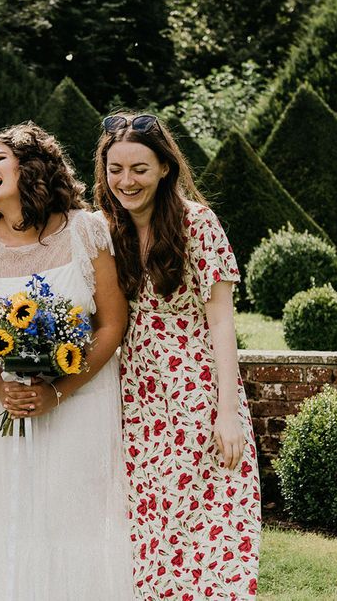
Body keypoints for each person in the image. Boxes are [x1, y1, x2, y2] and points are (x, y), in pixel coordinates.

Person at [0, 122, 134, 600]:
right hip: (3, 407)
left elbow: (112, 324)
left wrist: (58, 391)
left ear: (31, 166)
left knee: (74, 523)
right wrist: (2, 389)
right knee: (9, 520)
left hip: (81, 402)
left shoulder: (86, 230)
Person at [94, 112, 261, 599]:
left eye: (140, 168)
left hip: (198, 395)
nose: (126, 181)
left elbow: (222, 322)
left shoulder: (197, 223)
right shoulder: (107, 231)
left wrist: (227, 414)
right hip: (138, 405)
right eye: (116, 168)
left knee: (215, 535)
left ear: (165, 167)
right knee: (151, 540)